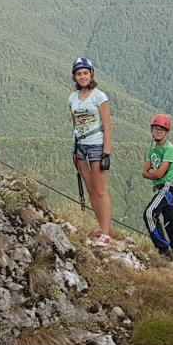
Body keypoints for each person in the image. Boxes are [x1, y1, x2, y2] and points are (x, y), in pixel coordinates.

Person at [69, 57, 115, 246]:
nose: (82, 76)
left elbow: (107, 125)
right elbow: (74, 124)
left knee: (101, 189)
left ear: (91, 74)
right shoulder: (72, 98)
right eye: (79, 74)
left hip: (96, 145)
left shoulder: (99, 97)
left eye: (85, 73)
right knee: (90, 189)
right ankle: (99, 227)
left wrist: (106, 152)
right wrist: (74, 149)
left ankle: (106, 233)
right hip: (80, 146)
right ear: (75, 77)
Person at [141, 114, 173, 260]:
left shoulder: (169, 149)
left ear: (167, 132)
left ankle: (164, 249)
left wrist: (153, 173)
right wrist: (153, 174)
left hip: (168, 187)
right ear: (151, 130)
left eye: (162, 129)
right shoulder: (152, 147)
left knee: (149, 213)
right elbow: (144, 172)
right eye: (156, 128)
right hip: (162, 186)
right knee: (171, 220)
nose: (158, 131)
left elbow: (159, 173)